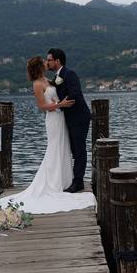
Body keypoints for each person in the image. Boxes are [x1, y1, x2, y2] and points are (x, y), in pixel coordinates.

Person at [0, 56, 95, 214]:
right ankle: (52, 182)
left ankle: (65, 180)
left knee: (64, 148)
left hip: (61, 117)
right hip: (53, 119)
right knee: (54, 147)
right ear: (38, 66)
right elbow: (42, 106)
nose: (46, 63)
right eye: (44, 61)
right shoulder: (37, 84)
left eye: (47, 60)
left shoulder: (48, 79)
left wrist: (63, 103)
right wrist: (60, 104)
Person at [46, 47, 92, 193]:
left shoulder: (69, 74)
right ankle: (72, 178)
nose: (47, 63)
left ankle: (78, 182)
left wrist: (60, 105)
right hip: (68, 118)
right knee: (73, 149)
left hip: (79, 117)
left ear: (57, 61)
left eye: (49, 60)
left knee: (79, 149)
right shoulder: (56, 78)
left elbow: (75, 93)